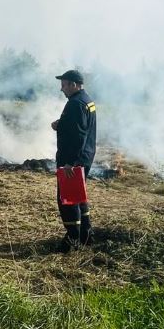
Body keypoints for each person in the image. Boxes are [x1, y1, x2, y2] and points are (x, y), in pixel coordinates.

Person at [50, 69, 97, 252]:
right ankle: (86, 234)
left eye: (64, 85)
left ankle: (72, 240)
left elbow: (78, 136)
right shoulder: (87, 101)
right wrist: (60, 125)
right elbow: (80, 126)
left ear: (74, 85)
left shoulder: (75, 104)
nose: (62, 89)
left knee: (67, 199)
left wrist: (71, 162)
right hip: (85, 156)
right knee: (78, 196)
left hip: (73, 160)